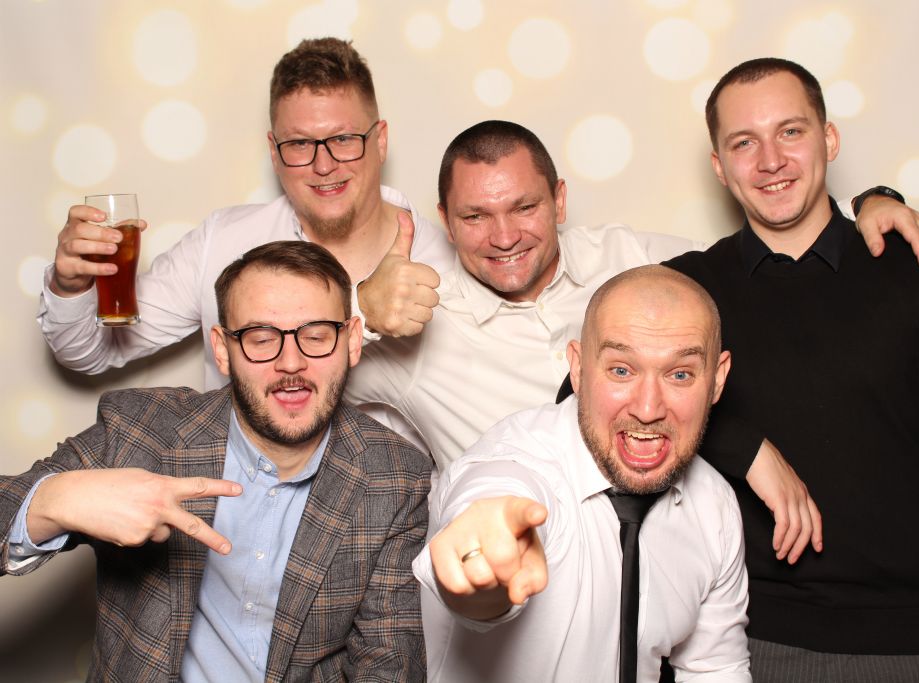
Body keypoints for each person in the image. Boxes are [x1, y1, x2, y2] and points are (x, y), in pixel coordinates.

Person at [346, 119, 919, 563]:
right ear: (444, 220)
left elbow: (767, 262)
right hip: (513, 592)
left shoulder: (632, 260)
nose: (504, 236)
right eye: (476, 216)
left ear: (559, 200)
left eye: (524, 207)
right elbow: (290, 381)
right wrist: (361, 311)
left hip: (672, 579)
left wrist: (871, 205)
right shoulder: (417, 323)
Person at [662, 58, 919, 682]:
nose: (770, 160)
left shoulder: (918, 273)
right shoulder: (690, 289)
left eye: (791, 131)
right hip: (734, 644)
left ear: (828, 139)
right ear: (720, 167)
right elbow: (589, 401)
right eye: (744, 143)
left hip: (910, 648)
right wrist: (744, 448)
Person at [3, 241, 431, 681]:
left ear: (352, 342)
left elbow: (389, 664)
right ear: (223, 351)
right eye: (261, 338)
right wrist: (55, 500)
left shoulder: (397, 476)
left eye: (317, 335)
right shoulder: (140, 430)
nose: (291, 363)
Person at [38, 37, 449, 389]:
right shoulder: (221, 242)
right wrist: (70, 287)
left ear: (380, 141)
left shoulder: (446, 262)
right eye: (299, 144)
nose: (323, 165)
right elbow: (86, 353)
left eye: (343, 139)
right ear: (274, 152)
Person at [414, 265, 749, 682]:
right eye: (621, 370)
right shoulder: (515, 463)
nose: (648, 409)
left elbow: (714, 667)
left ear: (717, 380)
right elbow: (492, 496)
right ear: (577, 368)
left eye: (680, 374)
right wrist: (482, 569)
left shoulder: (714, 504)